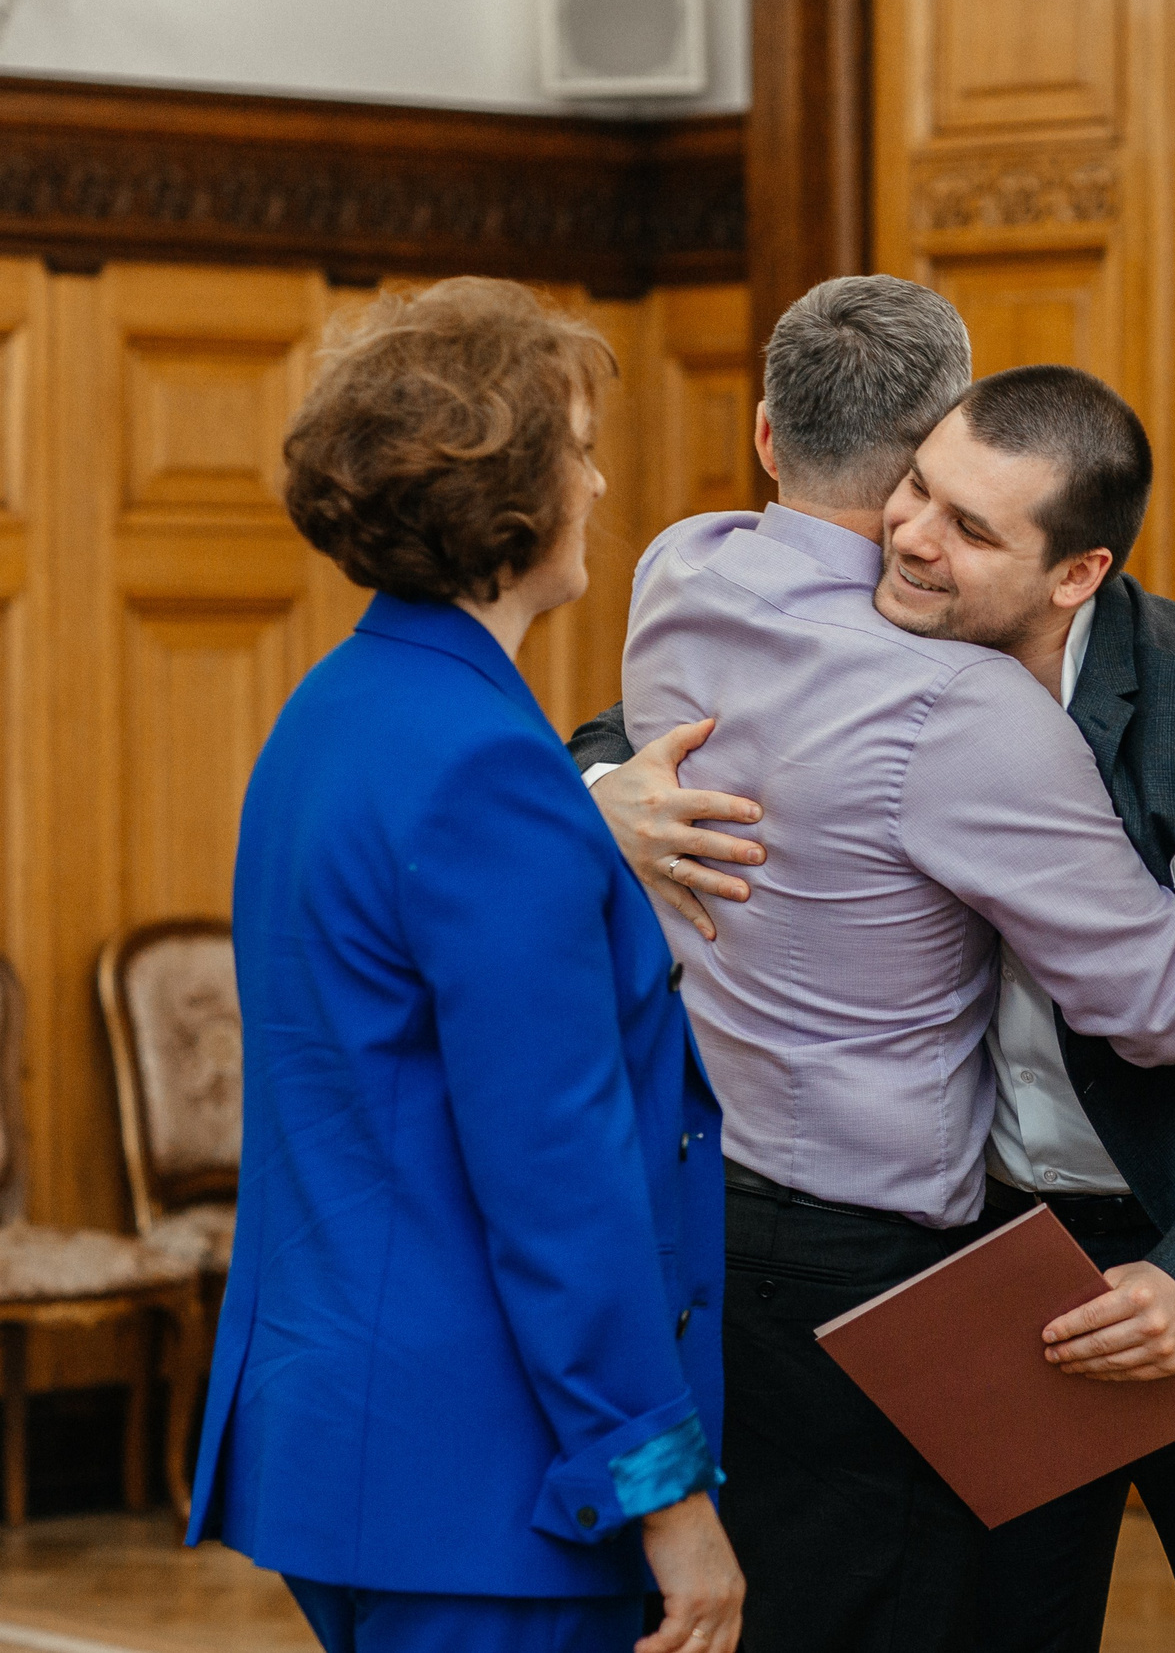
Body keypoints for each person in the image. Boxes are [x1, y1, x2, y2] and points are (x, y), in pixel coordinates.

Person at [583, 359, 1175, 1653]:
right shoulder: (863, 635)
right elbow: (639, 720)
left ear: (1076, 574)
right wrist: (599, 782)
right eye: (920, 489)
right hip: (1005, 1265)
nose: (911, 535)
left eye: (969, 528)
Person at [192, 278, 744, 1653]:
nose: (601, 474)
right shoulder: (491, 767)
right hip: (490, 1477)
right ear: (508, 493)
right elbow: (555, 1175)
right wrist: (664, 1492)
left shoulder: (334, 712)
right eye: (577, 442)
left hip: (357, 1444)